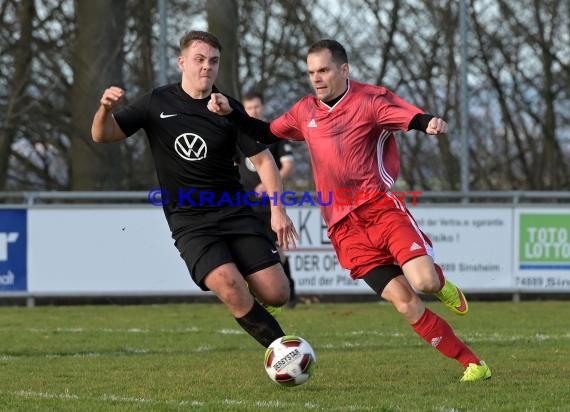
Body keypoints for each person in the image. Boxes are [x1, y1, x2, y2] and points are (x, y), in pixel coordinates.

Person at [208, 39, 492, 382]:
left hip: (380, 210)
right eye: (311, 72)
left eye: (324, 70)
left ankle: (441, 282)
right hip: (344, 229)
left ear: (344, 69)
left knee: (424, 281)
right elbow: (265, 132)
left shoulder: (370, 100)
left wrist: (427, 122)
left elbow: (408, 115)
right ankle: (473, 364)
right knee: (405, 302)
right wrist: (231, 113)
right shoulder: (304, 110)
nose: (317, 78)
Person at [90, 30, 299, 349]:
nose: (206, 67)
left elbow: (265, 161)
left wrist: (278, 210)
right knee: (231, 287)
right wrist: (105, 109)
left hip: (235, 212)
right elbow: (103, 136)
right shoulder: (156, 102)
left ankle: (245, 281)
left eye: (213, 61)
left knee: (277, 293)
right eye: (199, 60)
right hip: (190, 221)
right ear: (182, 62)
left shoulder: (228, 108)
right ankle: (285, 351)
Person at [236, 90, 297, 308]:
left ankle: (289, 292)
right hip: (244, 204)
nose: (253, 111)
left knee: (277, 249)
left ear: (262, 108)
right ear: (244, 109)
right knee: (246, 249)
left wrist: (269, 182)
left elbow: (288, 165)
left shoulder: (273, 133)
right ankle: (253, 296)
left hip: (271, 203)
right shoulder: (237, 132)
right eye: (249, 107)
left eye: (256, 107)